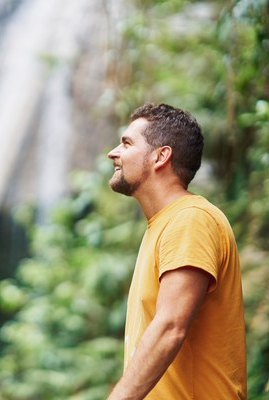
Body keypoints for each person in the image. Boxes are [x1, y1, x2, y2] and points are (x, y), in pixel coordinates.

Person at [106, 103, 247, 399]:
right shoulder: (164, 225)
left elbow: (170, 327)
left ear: (160, 156)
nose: (113, 153)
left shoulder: (190, 220)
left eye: (127, 143)